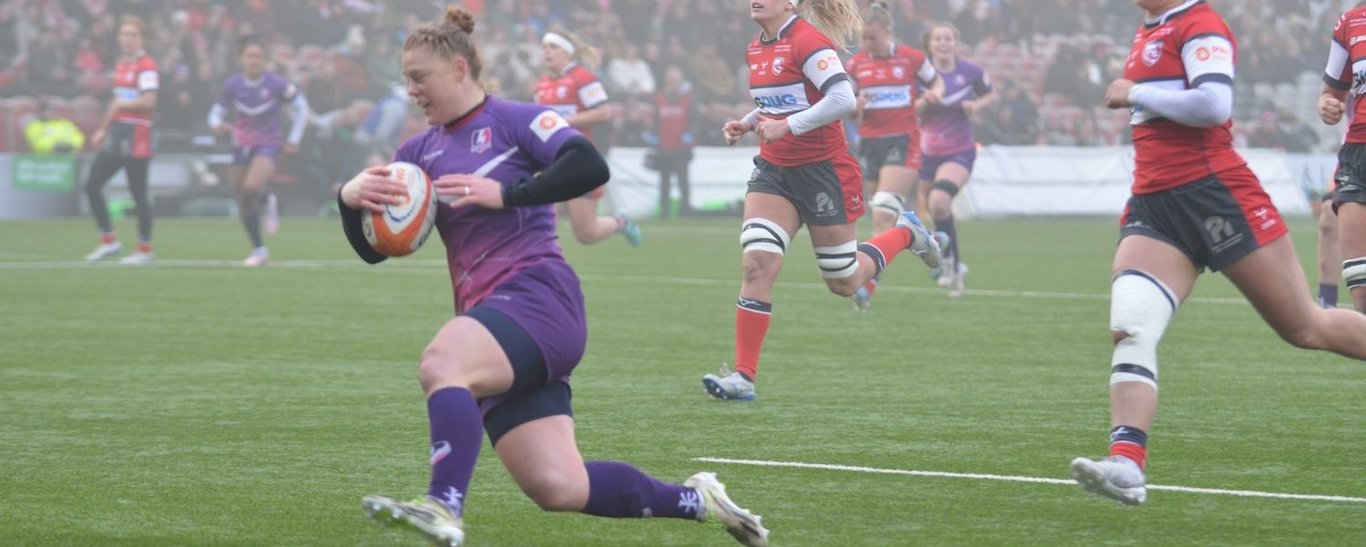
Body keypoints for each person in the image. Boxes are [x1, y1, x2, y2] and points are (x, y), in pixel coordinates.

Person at [339, 8, 768, 547]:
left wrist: (508, 193)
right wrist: (347, 199)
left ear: (457, 68)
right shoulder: (415, 154)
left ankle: (442, 507)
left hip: (539, 299)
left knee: (443, 362)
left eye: (419, 76)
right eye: (406, 79)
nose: (412, 90)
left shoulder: (517, 120)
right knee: (558, 486)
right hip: (494, 322)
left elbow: (589, 164)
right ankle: (698, 500)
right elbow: (376, 252)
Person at [1070, 0, 1366, 507]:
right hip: (1155, 205)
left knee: (1305, 327)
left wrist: (1135, 91)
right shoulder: (1150, 29)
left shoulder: (1200, 22)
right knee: (1131, 325)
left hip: (1217, 196)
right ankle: (1126, 464)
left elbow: (1213, 105)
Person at [701, 0, 944, 401]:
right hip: (774, 173)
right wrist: (748, 123)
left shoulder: (808, 41)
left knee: (844, 281)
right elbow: (778, 101)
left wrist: (789, 125)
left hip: (824, 172)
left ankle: (906, 233)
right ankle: (743, 377)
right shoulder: (756, 47)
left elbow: (843, 99)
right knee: (756, 263)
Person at [846, 1, 943, 311]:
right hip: (870, 143)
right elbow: (848, 106)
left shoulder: (912, 58)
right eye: (863, 38)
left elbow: (937, 80)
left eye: (872, 38)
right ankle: (929, 240)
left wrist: (931, 96)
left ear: (888, 32)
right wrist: (854, 108)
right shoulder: (856, 64)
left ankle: (867, 286)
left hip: (903, 140)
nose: (867, 45)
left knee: (882, 215)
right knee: (884, 217)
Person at [208, 35, 311, 267]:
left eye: (259, 57)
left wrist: (294, 138)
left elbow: (301, 108)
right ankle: (259, 248)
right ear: (240, 59)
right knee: (244, 198)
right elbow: (215, 112)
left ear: (266, 60)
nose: (254, 61)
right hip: (240, 144)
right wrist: (216, 125)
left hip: (268, 143)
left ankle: (263, 198)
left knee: (250, 187)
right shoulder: (233, 85)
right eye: (249, 56)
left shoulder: (277, 84)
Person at [535, 27, 643, 247]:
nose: (547, 52)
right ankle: (543, 266)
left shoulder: (582, 78)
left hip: (578, 159)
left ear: (567, 52)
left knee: (586, 233)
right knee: (541, 220)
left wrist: (565, 121)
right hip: (551, 161)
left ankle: (620, 222)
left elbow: (604, 112)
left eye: (553, 47)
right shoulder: (543, 85)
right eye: (545, 47)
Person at [915, 21, 994, 298]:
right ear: (930, 44)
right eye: (938, 39)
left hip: (959, 150)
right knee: (935, 211)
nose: (944, 43)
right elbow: (911, 110)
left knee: (939, 200)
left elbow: (990, 93)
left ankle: (952, 265)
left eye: (948, 38)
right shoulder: (921, 75)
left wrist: (976, 105)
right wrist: (926, 102)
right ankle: (953, 263)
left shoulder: (969, 72)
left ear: (955, 43)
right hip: (926, 152)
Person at [83, 15, 159, 265]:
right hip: (117, 133)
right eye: (124, 34)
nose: (127, 39)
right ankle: (109, 241)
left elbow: (149, 101)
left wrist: (123, 104)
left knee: (138, 193)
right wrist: (103, 129)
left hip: (137, 134)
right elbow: (115, 104)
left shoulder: (146, 65)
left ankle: (145, 249)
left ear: (142, 38)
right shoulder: (122, 66)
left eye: (133, 35)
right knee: (93, 184)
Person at [1319, 1, 1366, 313]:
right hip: (1357, 150)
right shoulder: (1349, 22)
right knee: (1361, 288)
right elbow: (1331, 93)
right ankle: (1328, 300)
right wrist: (1327, 106)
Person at [650, 64, 695, 218]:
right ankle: (664, 209)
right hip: (664, 146)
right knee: (664, 181)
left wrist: (690, 134)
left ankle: (685, 209)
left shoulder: (688, 98)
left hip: (682, 147)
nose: (673, 81)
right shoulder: (659, 98)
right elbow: (655, 120)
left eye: (676, 79)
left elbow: (695, 120)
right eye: (671, 78)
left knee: (683, 180)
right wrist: (653, 136)